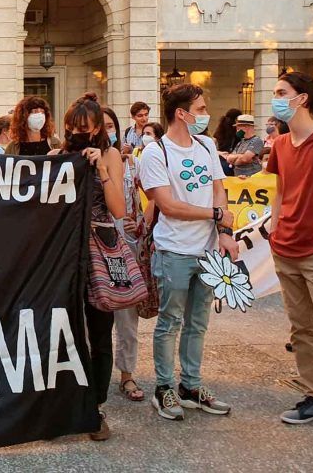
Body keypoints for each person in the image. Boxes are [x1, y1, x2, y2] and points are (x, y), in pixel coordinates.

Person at [140, 83, 237, 421]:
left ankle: (191, 386)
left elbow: (218, 189)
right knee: (170, 321)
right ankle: (164, 387)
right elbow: (167, 204)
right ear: (181, 113)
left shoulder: (206, 144)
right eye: (199, 109)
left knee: (198, 321)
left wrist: (223, 231)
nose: (204, 114)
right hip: (174, 250)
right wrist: (215, 215)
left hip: (208, 250)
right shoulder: (155, 152)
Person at [52, 93, 124, 441]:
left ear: (97, 128)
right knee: (61, 328)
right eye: (71, 128)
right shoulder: (60, 156)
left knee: (99, 331)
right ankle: (63, 402)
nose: (77, 133)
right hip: (63, 252)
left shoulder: (110, 155)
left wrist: (102, 169)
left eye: (83, 128)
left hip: (99, 250)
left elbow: (119, 209)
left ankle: (96, 407)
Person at [265, 72, 313, 425]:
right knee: (301, 329)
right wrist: (275, 232)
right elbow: (279, 191)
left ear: (302, 98)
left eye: (281, 92)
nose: (275, 97)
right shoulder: (279, 145)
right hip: (286, 247)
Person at [103, 106, 145, 403]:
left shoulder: (131, 163)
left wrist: (139, 222)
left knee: (126, 315)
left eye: (110, 125)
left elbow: (147, 198)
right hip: (94, 241)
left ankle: (127, 373)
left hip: (124, 241)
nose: (106, 131)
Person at [213, 108, 242, 176]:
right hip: (232, 158)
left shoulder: (221, 128)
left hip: (221, 158)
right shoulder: (238, 130)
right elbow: (244, 139)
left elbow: (214, 140)